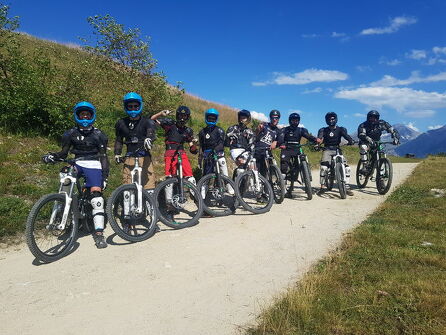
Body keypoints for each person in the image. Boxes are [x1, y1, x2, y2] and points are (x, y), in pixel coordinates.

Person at [42, 102, 109, 249]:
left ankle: (99, 233)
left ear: (92, 116)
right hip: (77, 163)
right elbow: (64, 153)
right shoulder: (70, 133)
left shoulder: (99, 135)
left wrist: (105, 176)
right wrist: (53, 156)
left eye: (87, 114)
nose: (85, 116)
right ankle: (63, 213)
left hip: (94, 164)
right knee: (65, 179)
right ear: (77, 116)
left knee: (97, 196)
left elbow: (104, 157)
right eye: (82, 114)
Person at [114, 92, 157, 192]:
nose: (133, 108)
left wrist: (149, 138)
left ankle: (150, 207)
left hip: (144, 157)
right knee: (127, 188)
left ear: (140, 106)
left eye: (135, 106)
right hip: (129, 157)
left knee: (149, 187)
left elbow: (151, 132)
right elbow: (119, 139)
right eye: (130, 106)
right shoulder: (121, 123)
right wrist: (117, 154)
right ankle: (127, 207)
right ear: (126, 107)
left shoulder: (147, 121)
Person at [277, 113, 321, 197]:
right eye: (293, 120)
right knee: (284, 168)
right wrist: (281, 144)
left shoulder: (301, 130)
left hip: (297, 149)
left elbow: (308, 136)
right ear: (290, 121)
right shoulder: (285, 130)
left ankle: (304, 179)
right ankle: (284, 188)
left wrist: (315, 140)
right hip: (287, 149)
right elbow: (281, 138)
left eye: (296, 120)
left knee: (297, 166)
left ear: (298, 121)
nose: (295, 122)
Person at [151, 105, 198, 185]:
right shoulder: (170, 124)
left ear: (187, 117)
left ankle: (194, 196)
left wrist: (194, 145)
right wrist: (161, 114)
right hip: (170, 152)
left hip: (181, 153)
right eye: (181, 115)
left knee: (190, 178)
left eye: (185, 116)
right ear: (177, 115)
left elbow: (192, 149)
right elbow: (152, 119)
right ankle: (169, 197)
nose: (182, 118)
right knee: (169, 179)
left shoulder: (188, 131)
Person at [317, 112, 354, 196]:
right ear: (326, 120)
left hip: (337, 149)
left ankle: (347, 186)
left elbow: (346, 136)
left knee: (347, 168)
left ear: (336, 119)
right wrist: (318, 144)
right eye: (329, 119)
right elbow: (320, 138)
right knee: (324, 168)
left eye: (333, 119)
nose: (331, 120)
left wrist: (351, 140)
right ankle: (322, 187)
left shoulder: (341, 129)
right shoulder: (323, 130)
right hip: (327, 149)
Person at [198, 108, 229, 176]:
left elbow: (221, 144)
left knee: (225, 174)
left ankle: (228, 185)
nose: (211, 120)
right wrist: (200, 159)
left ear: (216, 119)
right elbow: (201, 146)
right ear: (206, 117)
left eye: (213, 118)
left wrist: (214, 150)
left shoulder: (220, 130)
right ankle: (204, 185)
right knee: (206, 176)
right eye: (209, 118)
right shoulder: (202, 132)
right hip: (207, 157)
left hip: (219, 155)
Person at [225, 109, 255, 177]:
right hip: (235, 150)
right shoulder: (232, 128)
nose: (242, 119)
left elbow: (252, 144)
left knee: (252, 166)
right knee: (241, 164)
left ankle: (250, 184)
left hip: (245, 151)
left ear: (247, 119)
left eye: (244, 118)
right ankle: (237, 183)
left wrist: (251, 154)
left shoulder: (249, 131)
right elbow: (226, 143)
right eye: (241, 117)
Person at [253, 110, 281, 178]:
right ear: (270, 118)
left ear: (278, 119)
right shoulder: (264, 125)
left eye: (276, 118)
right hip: (257, 151)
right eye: (273, 118)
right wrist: (258, 129)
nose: (274, 119)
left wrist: (276, 142)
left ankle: (273, 182)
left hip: (267, 152)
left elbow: (280, 140)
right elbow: (255, 134)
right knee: (257, 172)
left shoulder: (278, 131)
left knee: (268, 170)